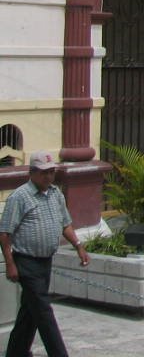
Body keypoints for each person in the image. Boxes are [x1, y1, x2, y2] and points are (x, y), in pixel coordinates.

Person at [0, 151, 89, 357]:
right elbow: (5, 233)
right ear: (32, 173)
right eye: (44, 173)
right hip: (26, 261)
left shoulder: (55, 194)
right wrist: (10, 264)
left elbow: (65, 224)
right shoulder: (20, 197)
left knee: (30, 311)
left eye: (51, 172)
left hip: (45, 261)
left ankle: (16, 352)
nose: (48, 177)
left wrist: (78, 246)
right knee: (43, 311)